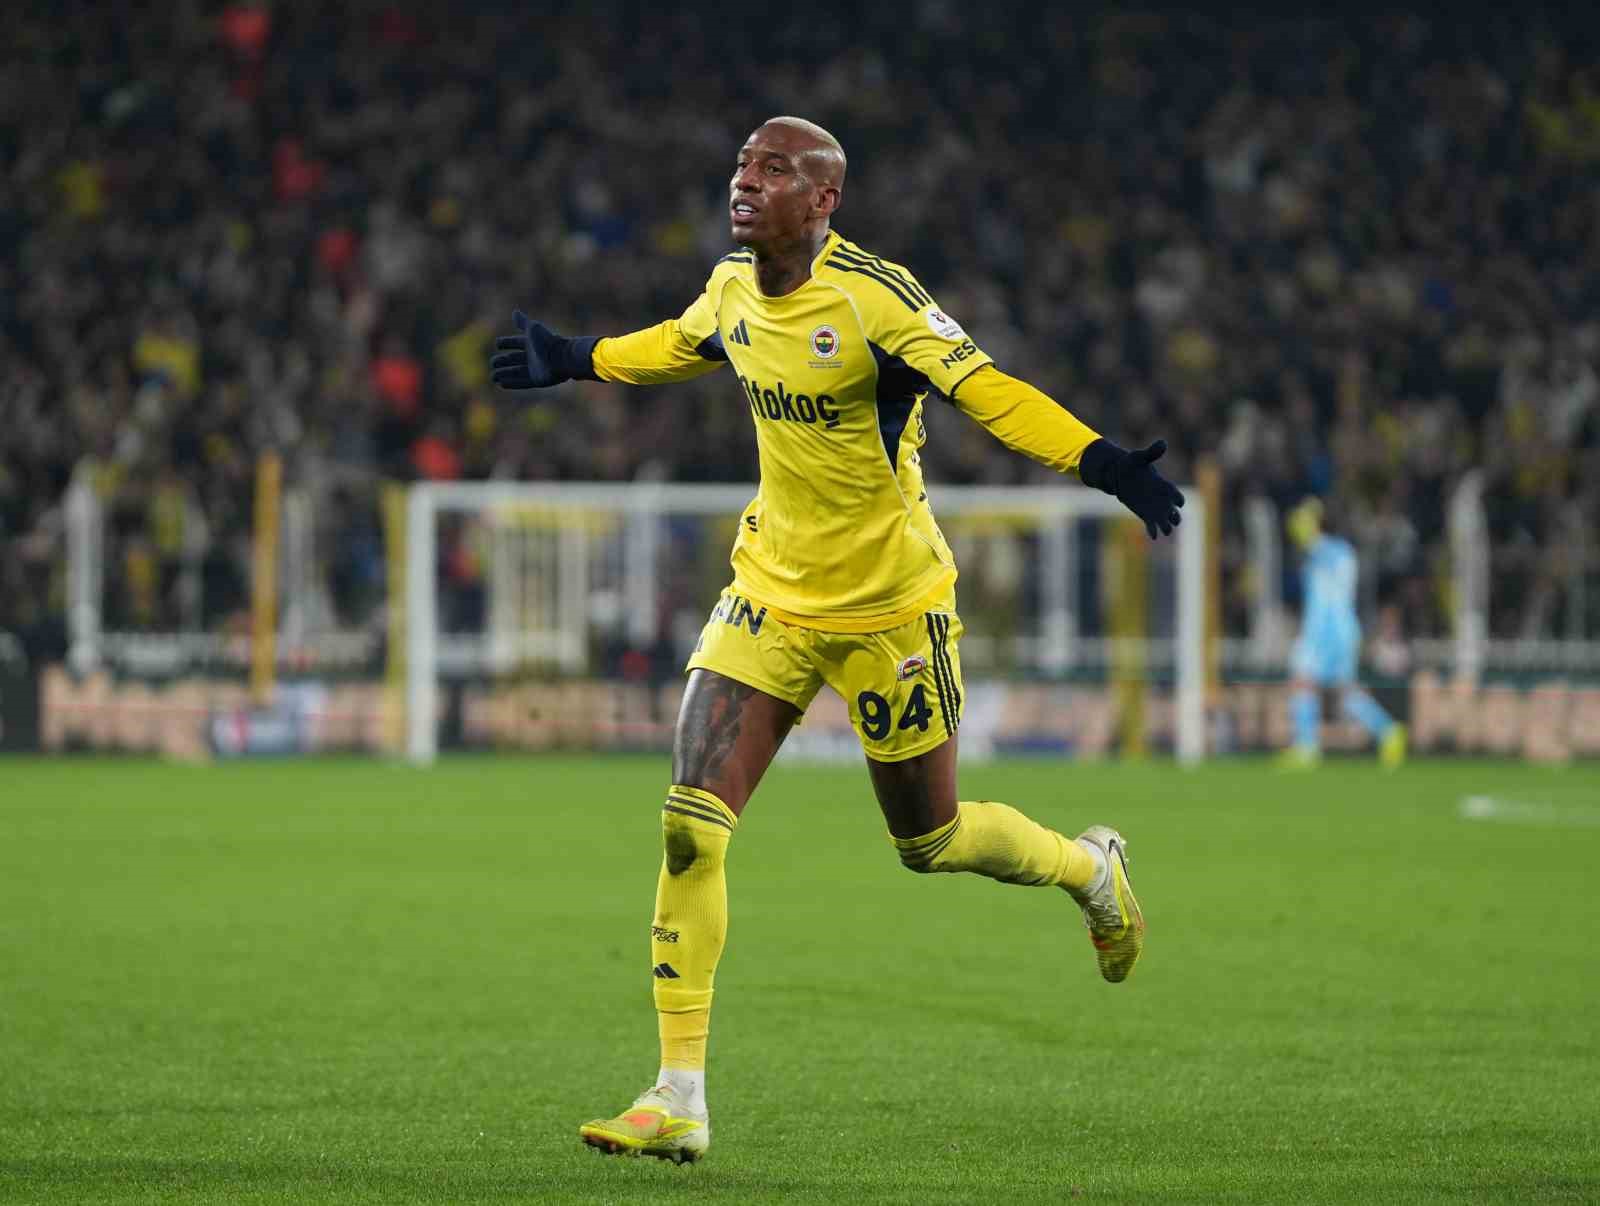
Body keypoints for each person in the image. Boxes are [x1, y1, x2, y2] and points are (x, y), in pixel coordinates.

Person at [491, 116, 1185, 1163]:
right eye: (741, 164)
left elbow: (987, 390)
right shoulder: (732, 286)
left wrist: (1102, 462)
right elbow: (678, 344)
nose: (745, 181)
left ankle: (1088, 870)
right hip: (770, 594)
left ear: (823, 200)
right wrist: (576, 359)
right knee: (689, 825)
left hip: (890, 607)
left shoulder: (877, 299)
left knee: (930, 842)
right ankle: (679, 1094)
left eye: (773, 170)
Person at [1280, 498, 1406, 769]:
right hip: (1345, 629)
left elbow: (1310, 545)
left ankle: (1306, 747)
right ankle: (1388, 731)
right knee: (1344, 693)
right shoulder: (1342, 552)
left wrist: (1308, 530)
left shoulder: (1325, 552)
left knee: (1302, 681)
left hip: (1327, 631)